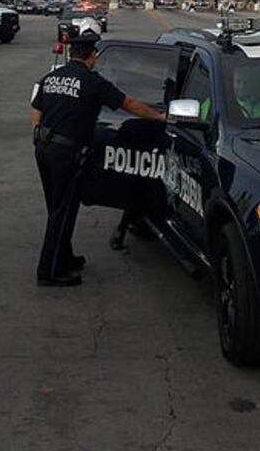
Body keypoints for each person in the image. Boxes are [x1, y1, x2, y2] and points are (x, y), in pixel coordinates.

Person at [31, 34, 165, 287]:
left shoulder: (52, 78)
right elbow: (130, 104)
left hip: (45, 149)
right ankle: (49, 272)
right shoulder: (92, 82)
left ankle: (65, 257)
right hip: (66, 154)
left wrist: (38, 137)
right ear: (92, 57)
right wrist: (159, 117)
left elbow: (36, 109)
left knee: (56, 207)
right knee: (63, 211)